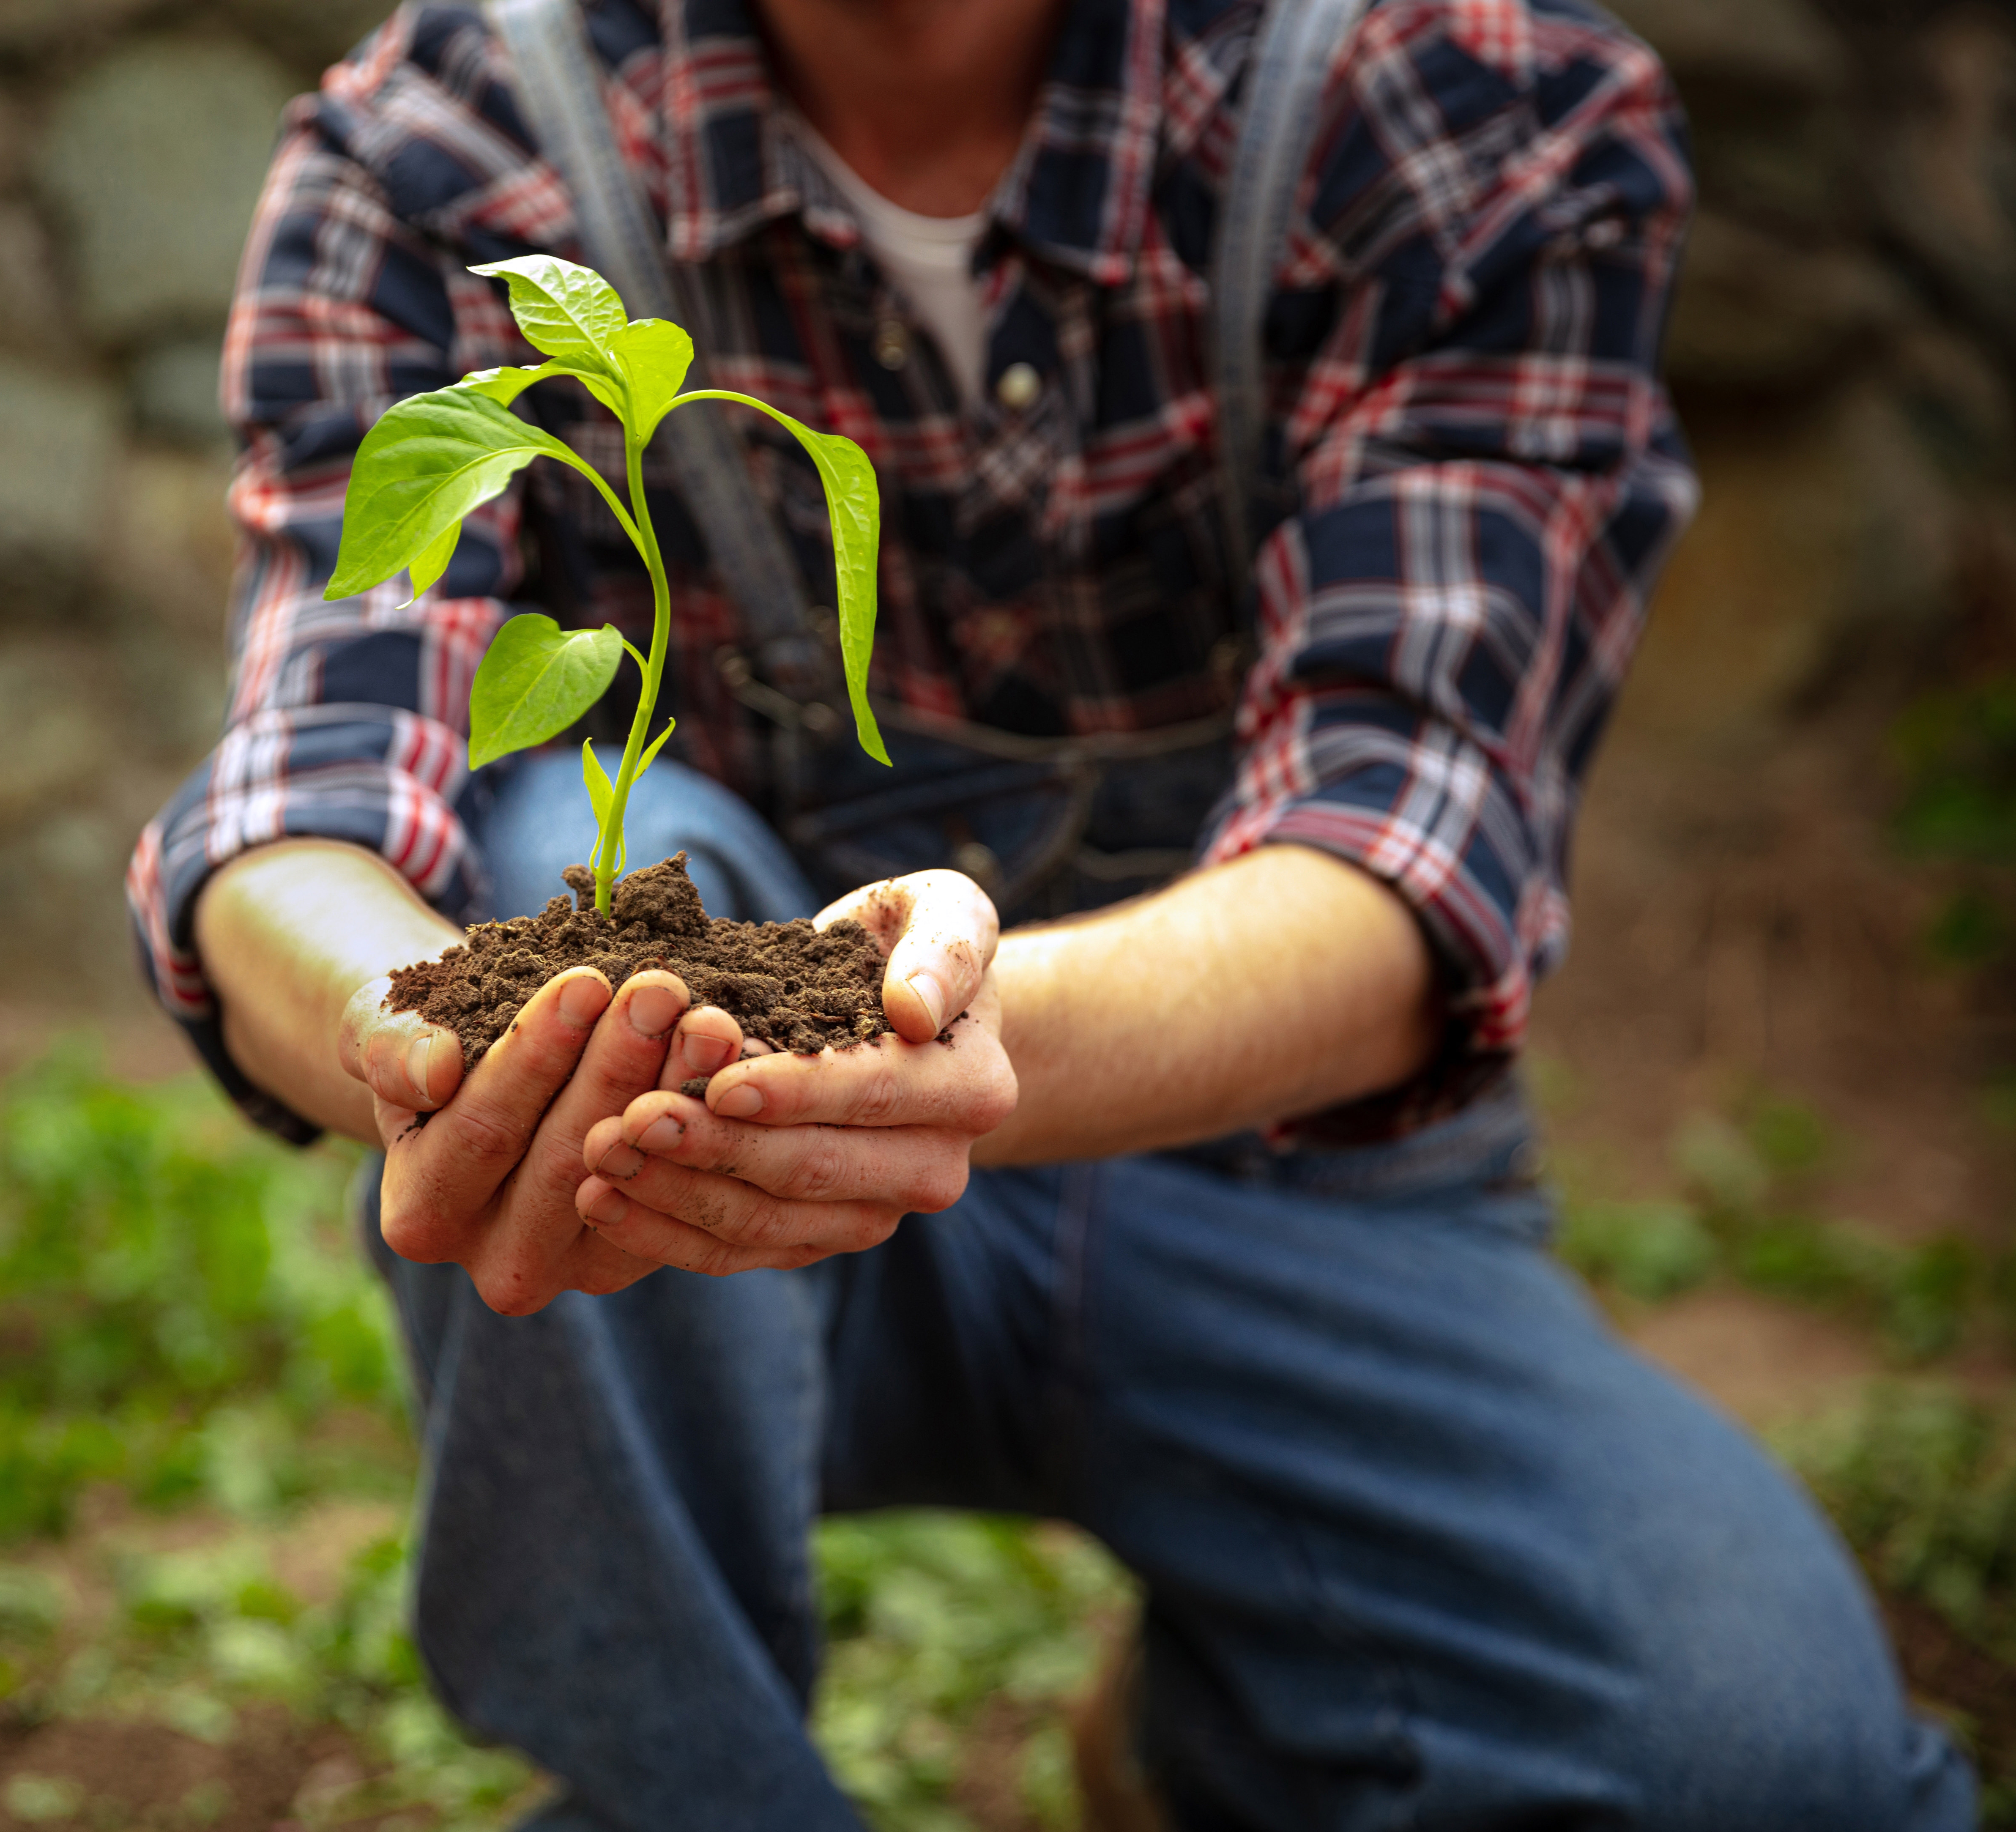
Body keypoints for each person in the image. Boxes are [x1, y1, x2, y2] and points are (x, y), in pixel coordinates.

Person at [127, 0, 1979, 1824]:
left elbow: (1411, 852)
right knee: (550, 872)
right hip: (696, 1193)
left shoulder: (1437, 89)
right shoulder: (453, 131)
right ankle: (679, 1789)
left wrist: (918, 1030)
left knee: (1760, 1773)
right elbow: (307, 794)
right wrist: (432, 1034)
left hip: (1288, 1183)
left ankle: (1224, 1740)